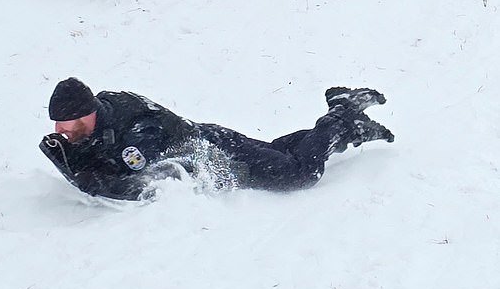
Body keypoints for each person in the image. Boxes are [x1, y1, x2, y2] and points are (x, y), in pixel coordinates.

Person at [40, 78, 394, 201]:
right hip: (208, 139)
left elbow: (132, 183)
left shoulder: (135, 130)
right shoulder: (100, 118)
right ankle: (347, 129)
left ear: (89, 112)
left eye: (71, 123)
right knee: (278, 152)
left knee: (299, 174)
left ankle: (338, 116)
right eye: (60, 125)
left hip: (217, 152)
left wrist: (76, 170)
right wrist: (71, 153)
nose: (64, 132)